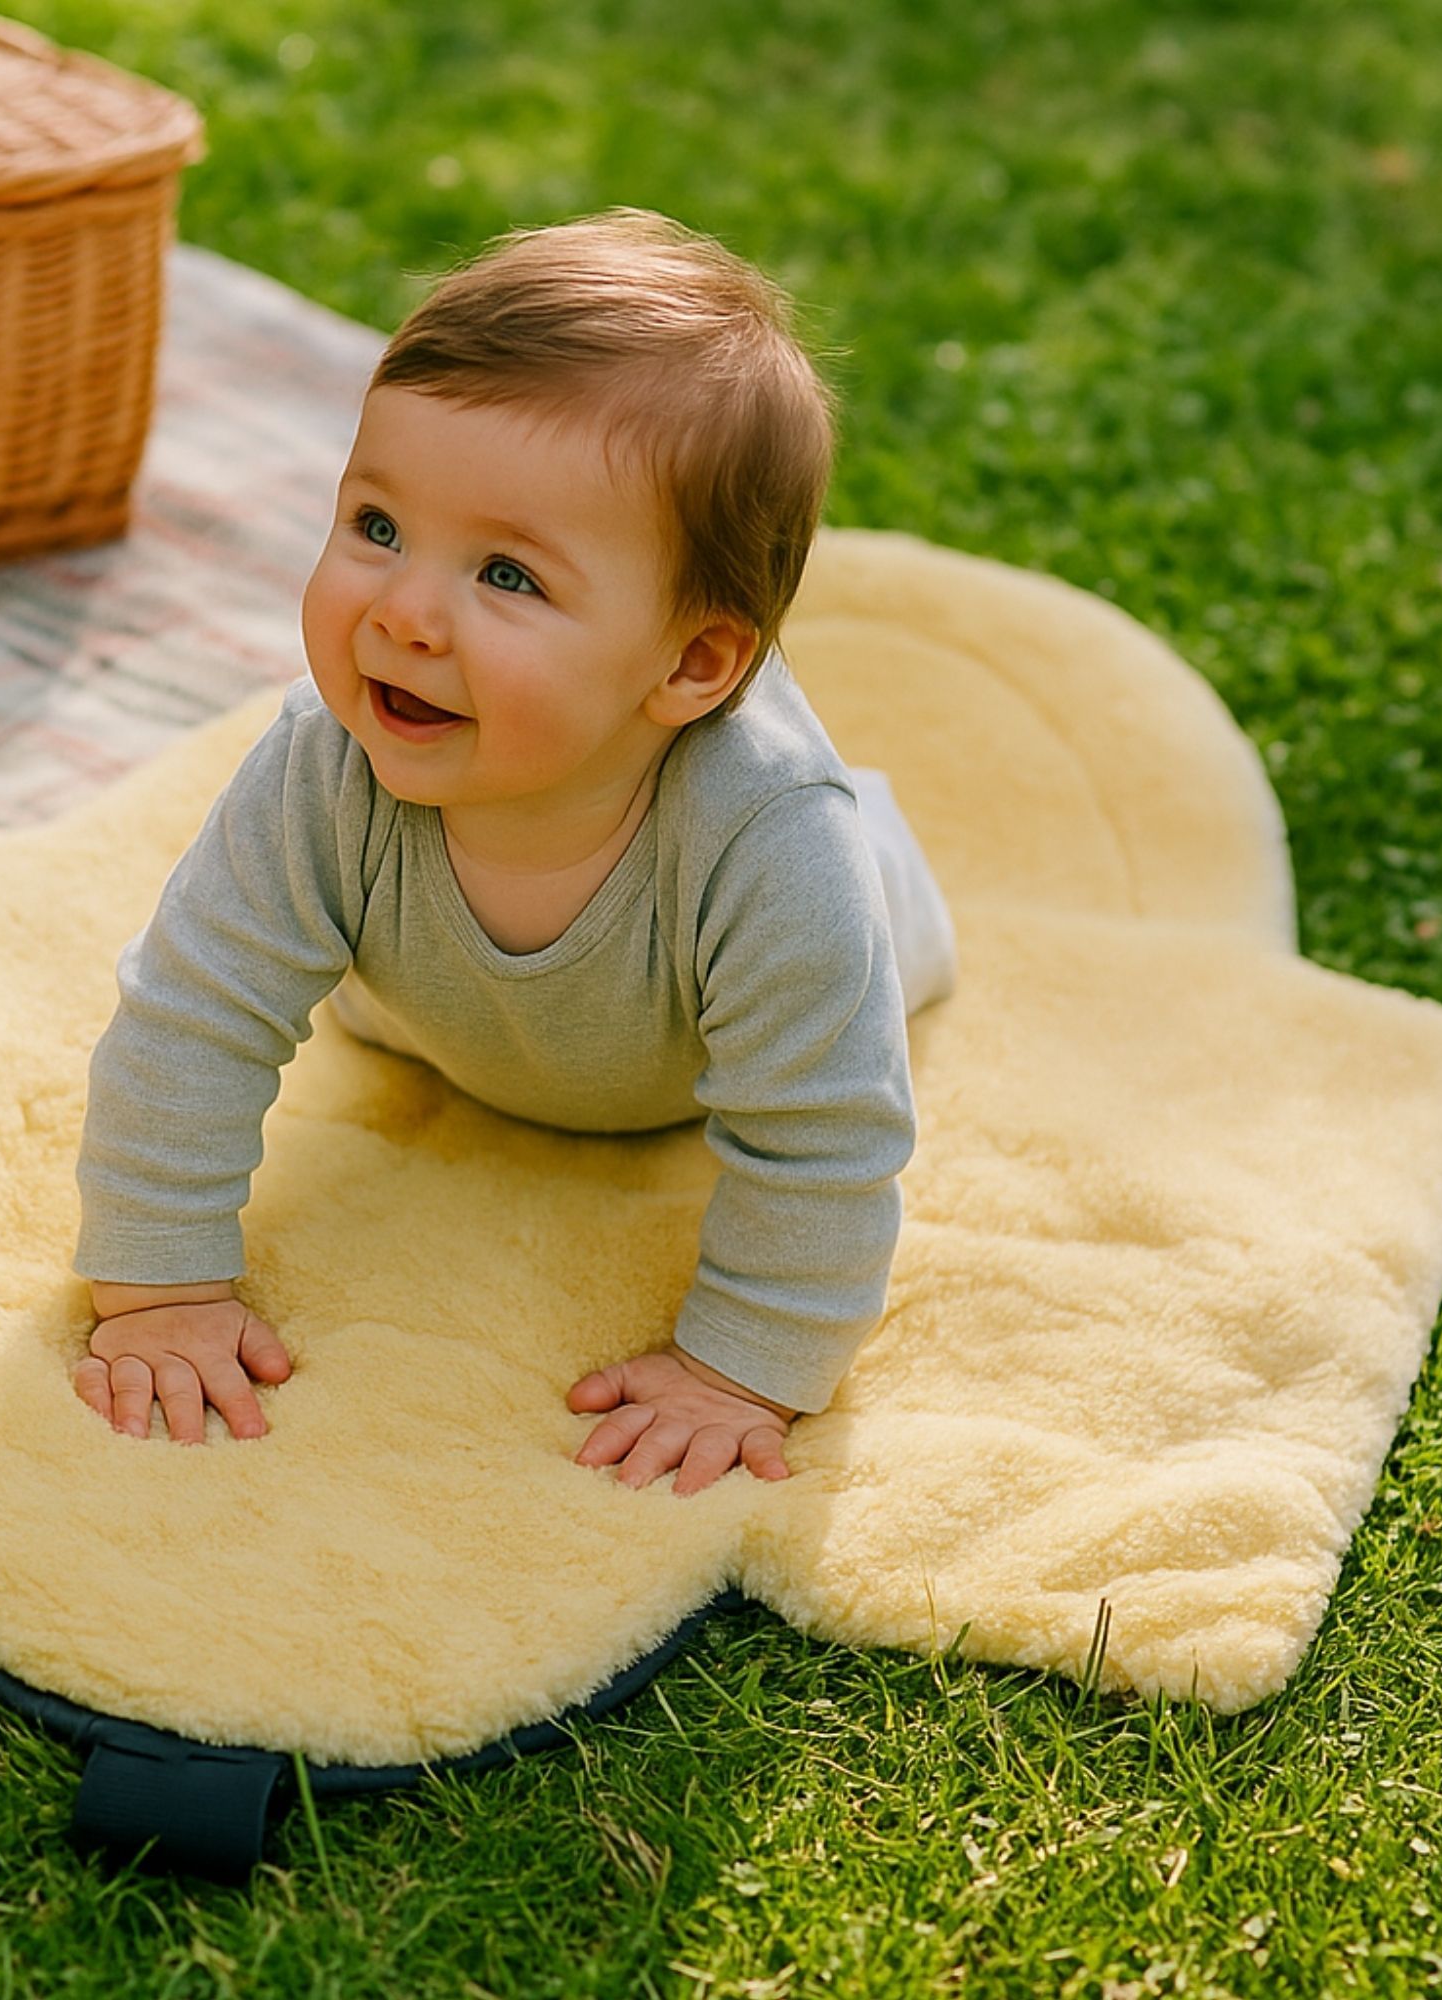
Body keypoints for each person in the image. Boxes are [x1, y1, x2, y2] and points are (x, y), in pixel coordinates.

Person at [70, 207, 957, 1498]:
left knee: (867, 946)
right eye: (378, 527)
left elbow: (825, 1143)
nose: (405, 615)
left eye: (507, 576)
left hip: (715, 1030)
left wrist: (742, 1370)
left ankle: (884, 839)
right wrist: (159, 1289)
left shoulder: (777, 856)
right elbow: (191, 1015)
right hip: (444, 1015)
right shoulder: (326, 765)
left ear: (692, 663)